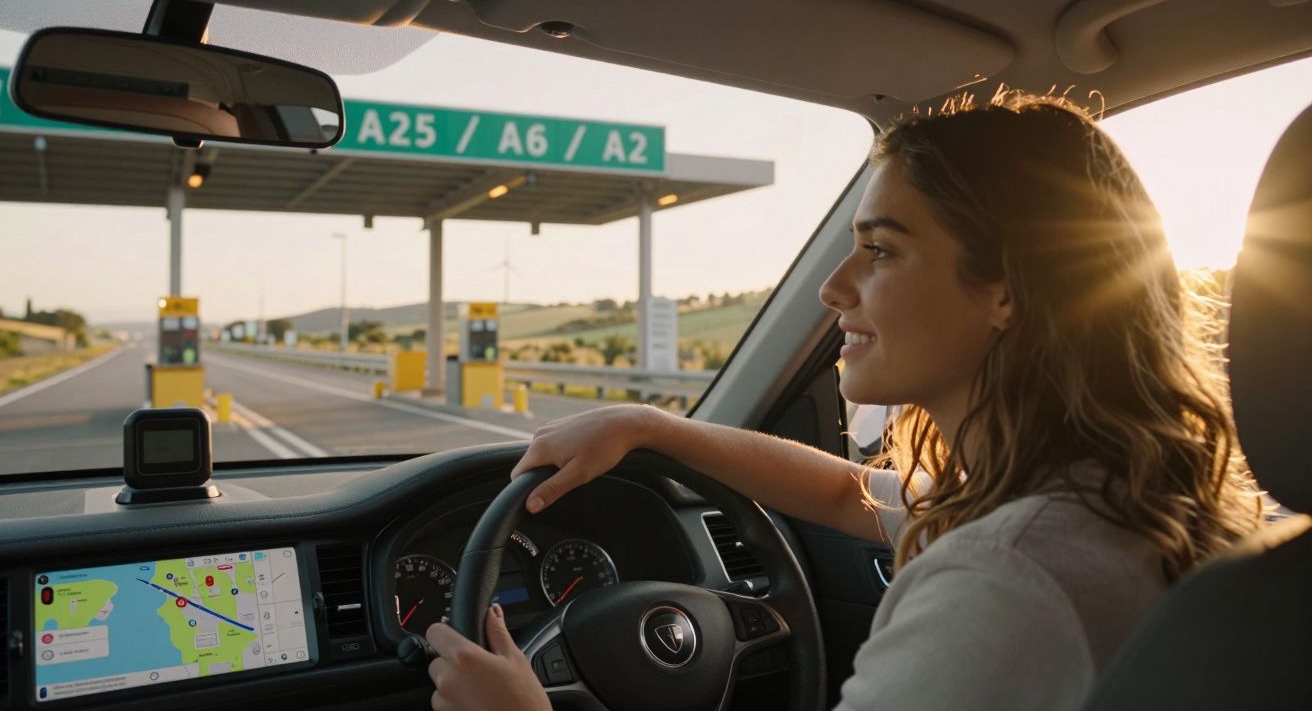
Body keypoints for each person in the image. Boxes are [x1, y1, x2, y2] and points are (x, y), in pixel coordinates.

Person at [420, 89, 1264, 711]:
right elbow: (843, 493)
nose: (832, 287)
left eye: (881, 250)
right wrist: (648, 426)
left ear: (1007, 288)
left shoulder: (1007, 580)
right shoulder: (1109, 502)